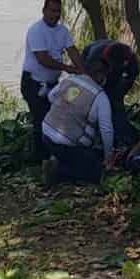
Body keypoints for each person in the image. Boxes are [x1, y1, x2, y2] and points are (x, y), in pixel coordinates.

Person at [21, 0, 83, 162]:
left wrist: (83, 71)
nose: (55, 14)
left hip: (51, 84)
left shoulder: (62, 31)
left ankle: (50, 155)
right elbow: (43, 59)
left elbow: (72, 50)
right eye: (52, 10)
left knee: (53, 118)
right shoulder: (36, 30)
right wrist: (69, 69)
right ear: (44, 11)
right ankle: (40, 159)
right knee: (41, 119)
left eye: (58, 11)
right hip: (33, 83)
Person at [42, 56, 114, 185]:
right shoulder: (100, 96)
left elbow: (51, 96)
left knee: (74, 155)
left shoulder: (70, 79)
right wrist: (108, 157)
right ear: (101, 76)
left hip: (46, 134)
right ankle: (58, 171)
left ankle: (56, 159)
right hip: (68, 144)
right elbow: (106, 130)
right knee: (97, 172)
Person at [82, 38, 140, 146]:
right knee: (95, 104)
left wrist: (119, 93)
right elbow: (87, 79)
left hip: (115, 81)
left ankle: (123, 140)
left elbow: (131, 76)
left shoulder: (131, 58)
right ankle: (93, 135)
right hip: (93, 68)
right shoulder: (94, 56)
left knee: (116, 105)